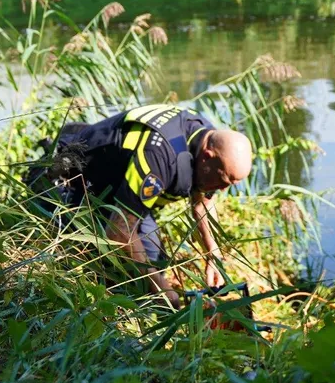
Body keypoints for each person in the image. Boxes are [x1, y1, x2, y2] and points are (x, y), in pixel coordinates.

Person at [33, 104, 253, 309]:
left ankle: (144, 310)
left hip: (115, 186)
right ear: (207, 156)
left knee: (152, 257)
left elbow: (202, 202)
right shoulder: (160, 155)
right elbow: (119, 231)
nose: (223, 190)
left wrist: (212, 255)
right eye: (223, 181)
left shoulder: (205, 138)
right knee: (94, 266)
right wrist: (162, 289)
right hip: (66, 182)